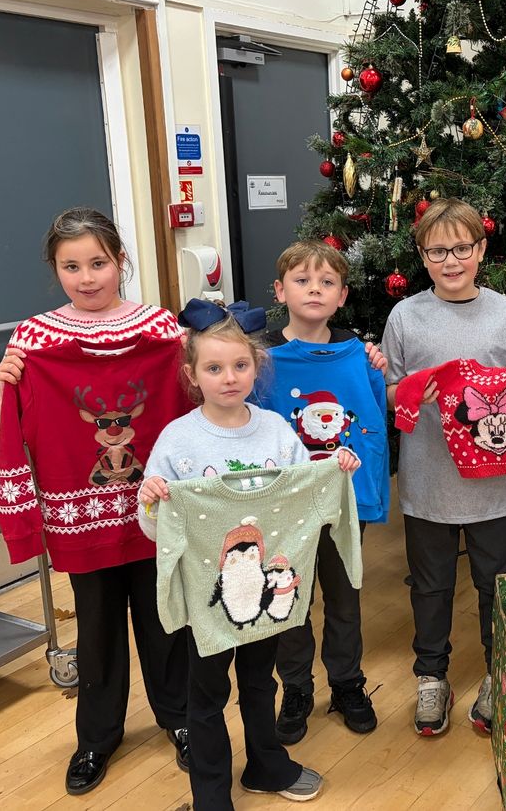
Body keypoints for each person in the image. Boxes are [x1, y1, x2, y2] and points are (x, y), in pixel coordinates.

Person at [0, 207, 189, 795]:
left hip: (155, 510)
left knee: (163, 621)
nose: (87, 277)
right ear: (56, 270)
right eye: (71, 266)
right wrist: (2, 382)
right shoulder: (35, 338)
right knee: (96, 628)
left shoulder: (159, 328)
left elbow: (196, 394)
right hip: (80, 519)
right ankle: (97, 736)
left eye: (98, 262)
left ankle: (179, 721)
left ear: (120, 261)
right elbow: (3, 426)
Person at [137, 301, 360, 809]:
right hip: (207, 599)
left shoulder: (278, 430)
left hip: (264, 595)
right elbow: (153, 528)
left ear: (257, 366)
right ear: (191, 373)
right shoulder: (178, 438)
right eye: (214, 368)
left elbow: (306, 496)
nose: (229, 378)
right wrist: (152, 498)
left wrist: (334, 468)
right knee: (208, 696)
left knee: (262, 681)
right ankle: (211, 794)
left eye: (240, 365)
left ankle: (266, 764)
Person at [382, 198, 506, 737]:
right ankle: (431, 675)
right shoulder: (405, 316)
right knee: (430, 583)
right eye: (437, 250)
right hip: (428, 479)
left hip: (494, 482)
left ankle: (497, 672)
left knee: (495, 580)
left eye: (462, 248)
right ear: (422, 256)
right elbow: (390, 393)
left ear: (481, 250)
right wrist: (413, 389)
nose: (451, 260)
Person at [250, 240, 387, 745]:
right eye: (303, 280)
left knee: (345, 597)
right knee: (289, 598)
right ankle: (297, 687)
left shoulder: (361, 356)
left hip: (344, 503)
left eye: (327, 282)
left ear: (343, 295)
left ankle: (348, 682)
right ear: (280, 290)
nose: (315, 289)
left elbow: (374, 431)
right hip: (285, 506)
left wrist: (369, 496)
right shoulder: (260, 360)